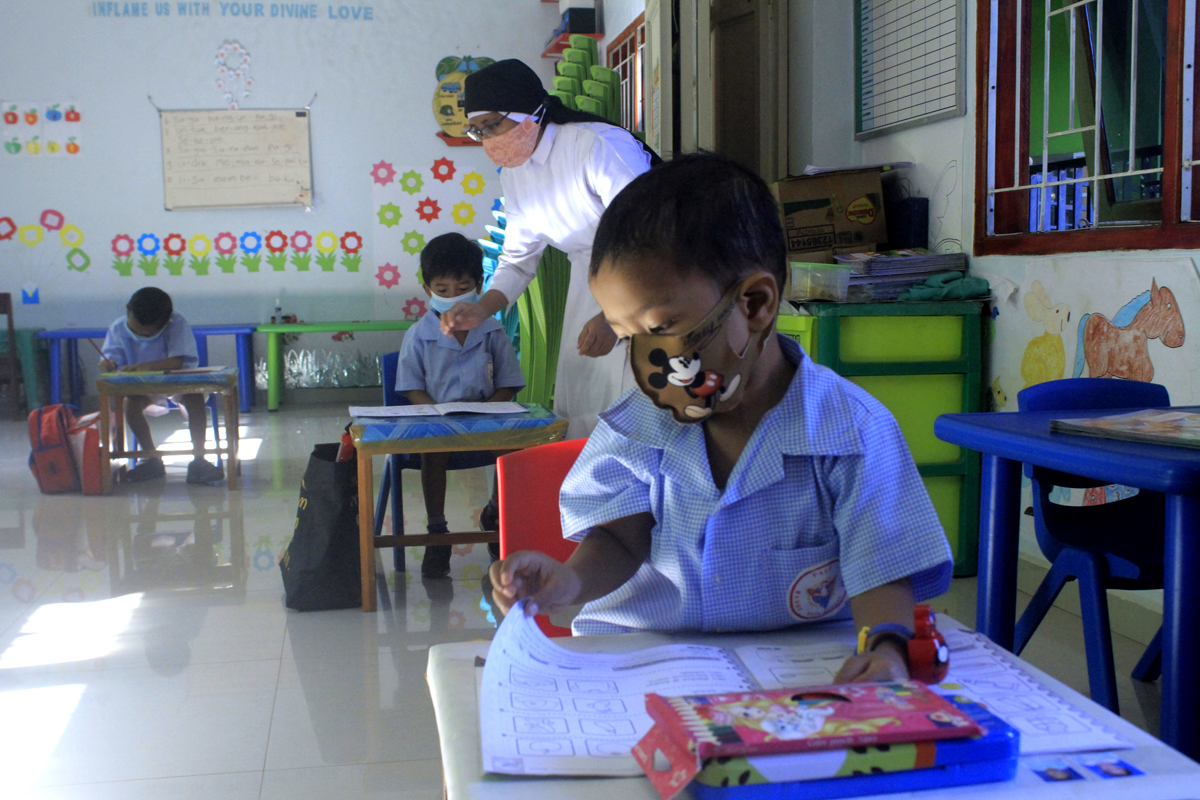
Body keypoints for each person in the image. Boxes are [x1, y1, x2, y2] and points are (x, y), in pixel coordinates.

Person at [488, 154, 953, 683]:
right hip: (647, 659)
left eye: (661, 326)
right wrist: (569, 583)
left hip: (800, 668)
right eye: (627, 337)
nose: (649, 359)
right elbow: (620, 539)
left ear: (754, 304)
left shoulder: (849, 432)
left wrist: (886, 648)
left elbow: (882, 565)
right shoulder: (636, 426)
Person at [439, 58, 656, 440]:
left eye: (493, 125)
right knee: (582, 408)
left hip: (648, 281)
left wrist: (613, 317)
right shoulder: (516, 174)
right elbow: (519, 260)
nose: (488, 139)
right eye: (478, 131)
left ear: (530, 110)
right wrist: (481, 309)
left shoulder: (596, 145)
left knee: (636, 407)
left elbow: (650, 234)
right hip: (586, 283)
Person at [397, 233, 526, 578]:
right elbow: (411, 389)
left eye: (462, 287)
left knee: (514, 449)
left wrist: (491, 411)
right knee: (432, 450)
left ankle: (497, 514)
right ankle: (437, 530)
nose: (452, 297)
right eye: (442, 289)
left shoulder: (492, 330)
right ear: (427, 290)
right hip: (436, 420)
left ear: (479, 286)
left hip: (490, 418)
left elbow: (509, 382)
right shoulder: (418, 335)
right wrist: (436, 415)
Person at [99, 287, 225, 485]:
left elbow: (177, 361)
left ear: (165, 322)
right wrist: (107, 365)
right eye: (134, 329)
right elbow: (111, 363)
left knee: (195, 399)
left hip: (178, 382)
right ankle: (151, 458)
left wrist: (145, 366)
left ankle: (199, 460)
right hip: (141, 387)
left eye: (148, 333)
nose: (139, 335)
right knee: (130, 405)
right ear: (128, 311)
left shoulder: (176, 323)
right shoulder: (118, 328)